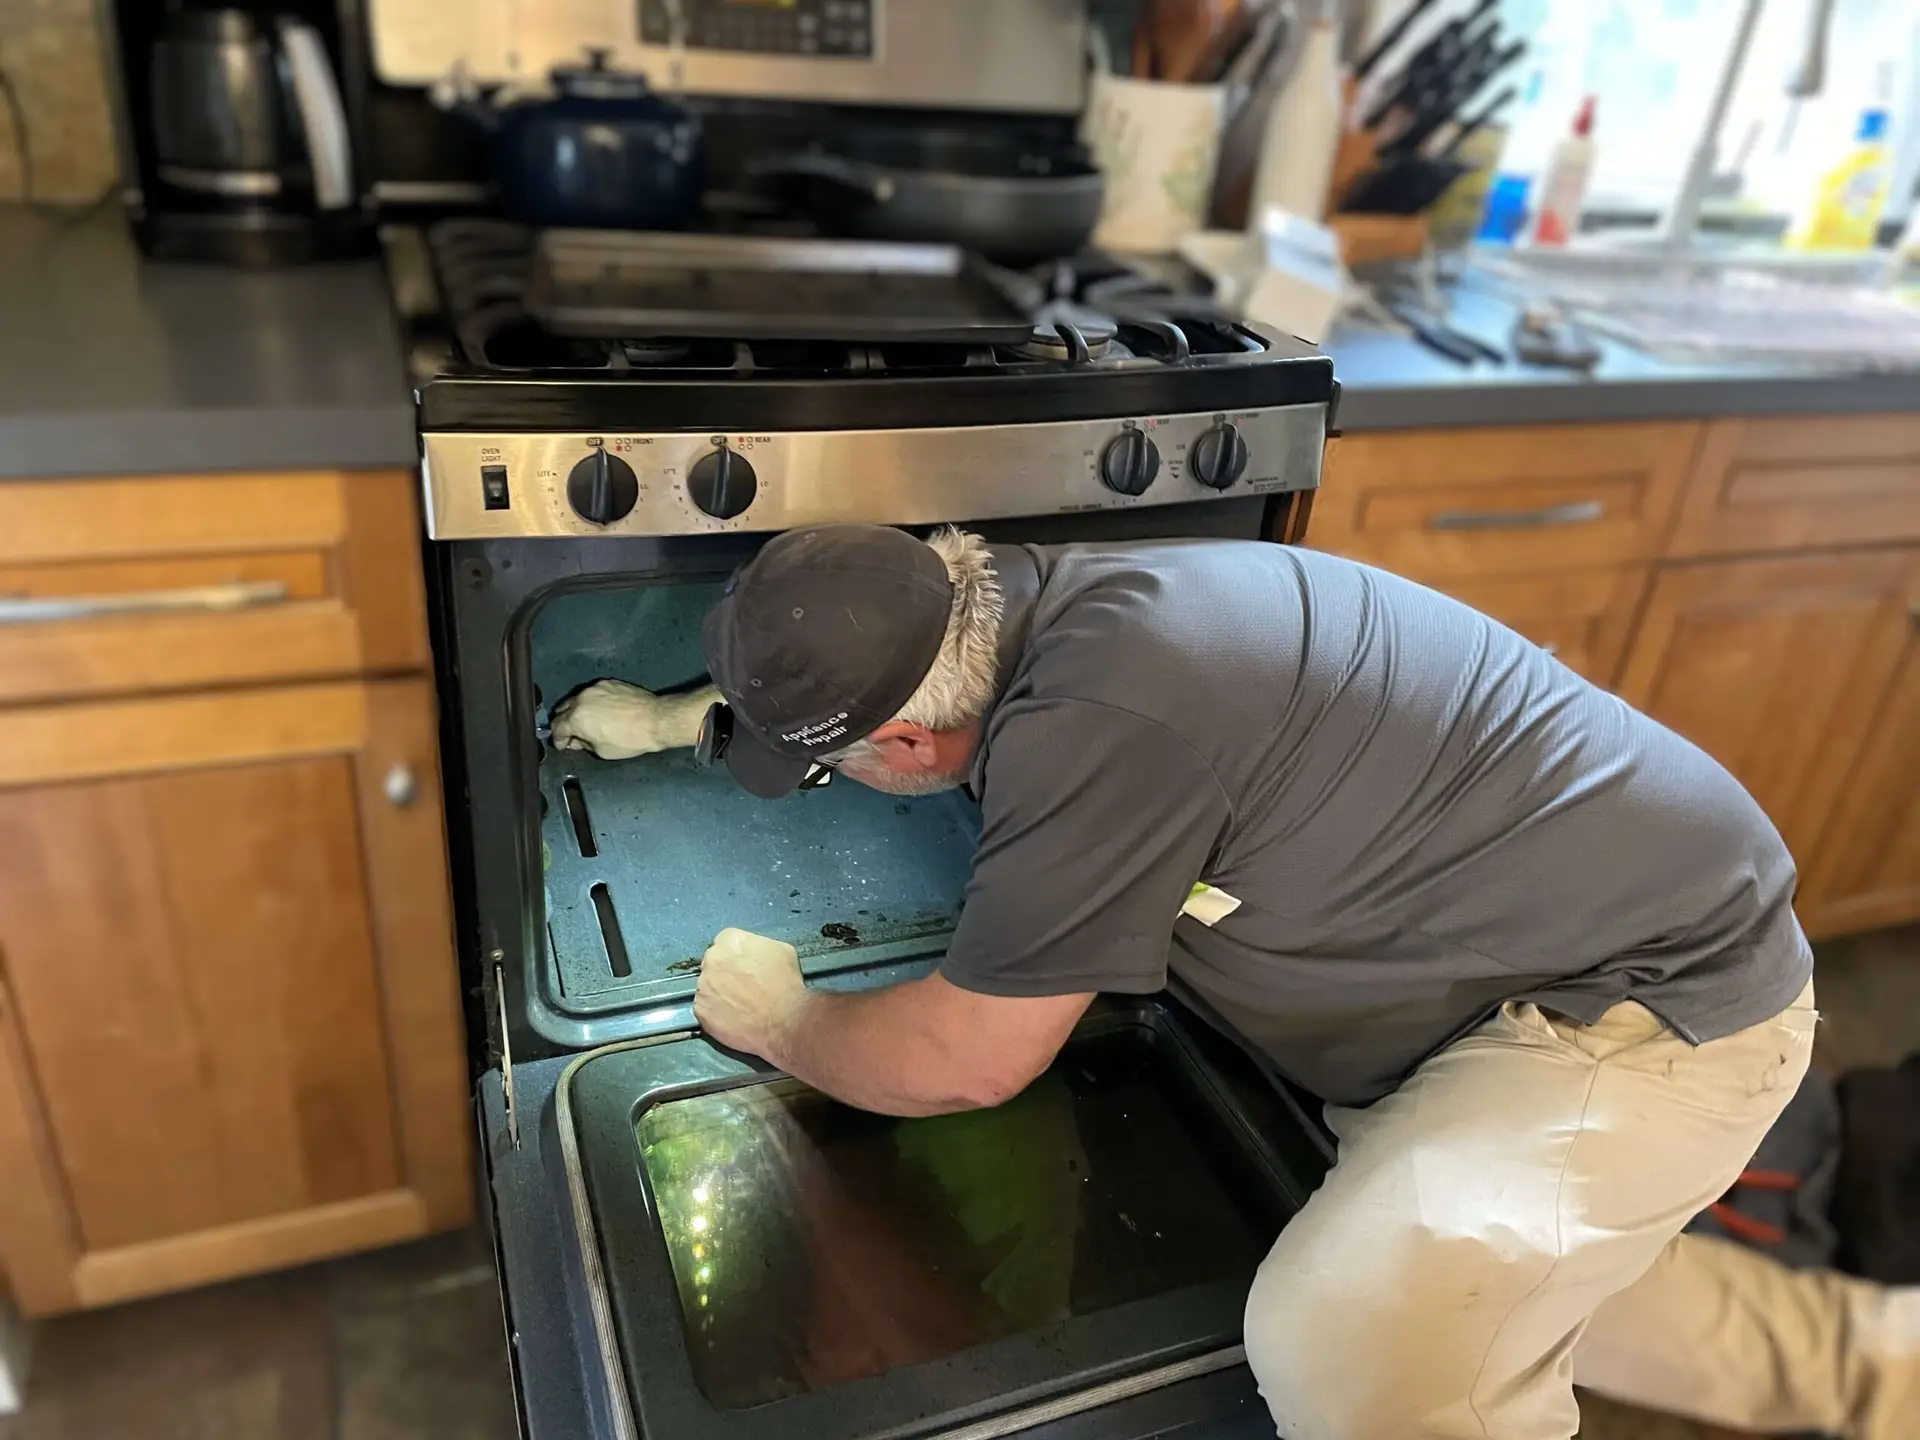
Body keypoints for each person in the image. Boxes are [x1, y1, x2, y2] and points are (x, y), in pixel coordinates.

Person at [550, 523, 1910, 1440]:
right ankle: (1889, 1369)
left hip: (1631, 1006)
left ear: (906, 744)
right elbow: (861, 698)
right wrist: (672, 720)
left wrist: (784, 1018)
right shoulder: (1035, 608)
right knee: (1529, 1285)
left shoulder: (1107, 723)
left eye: (838, 764)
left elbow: (969, 1058)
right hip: (1484, 992)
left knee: (1344, 1344)